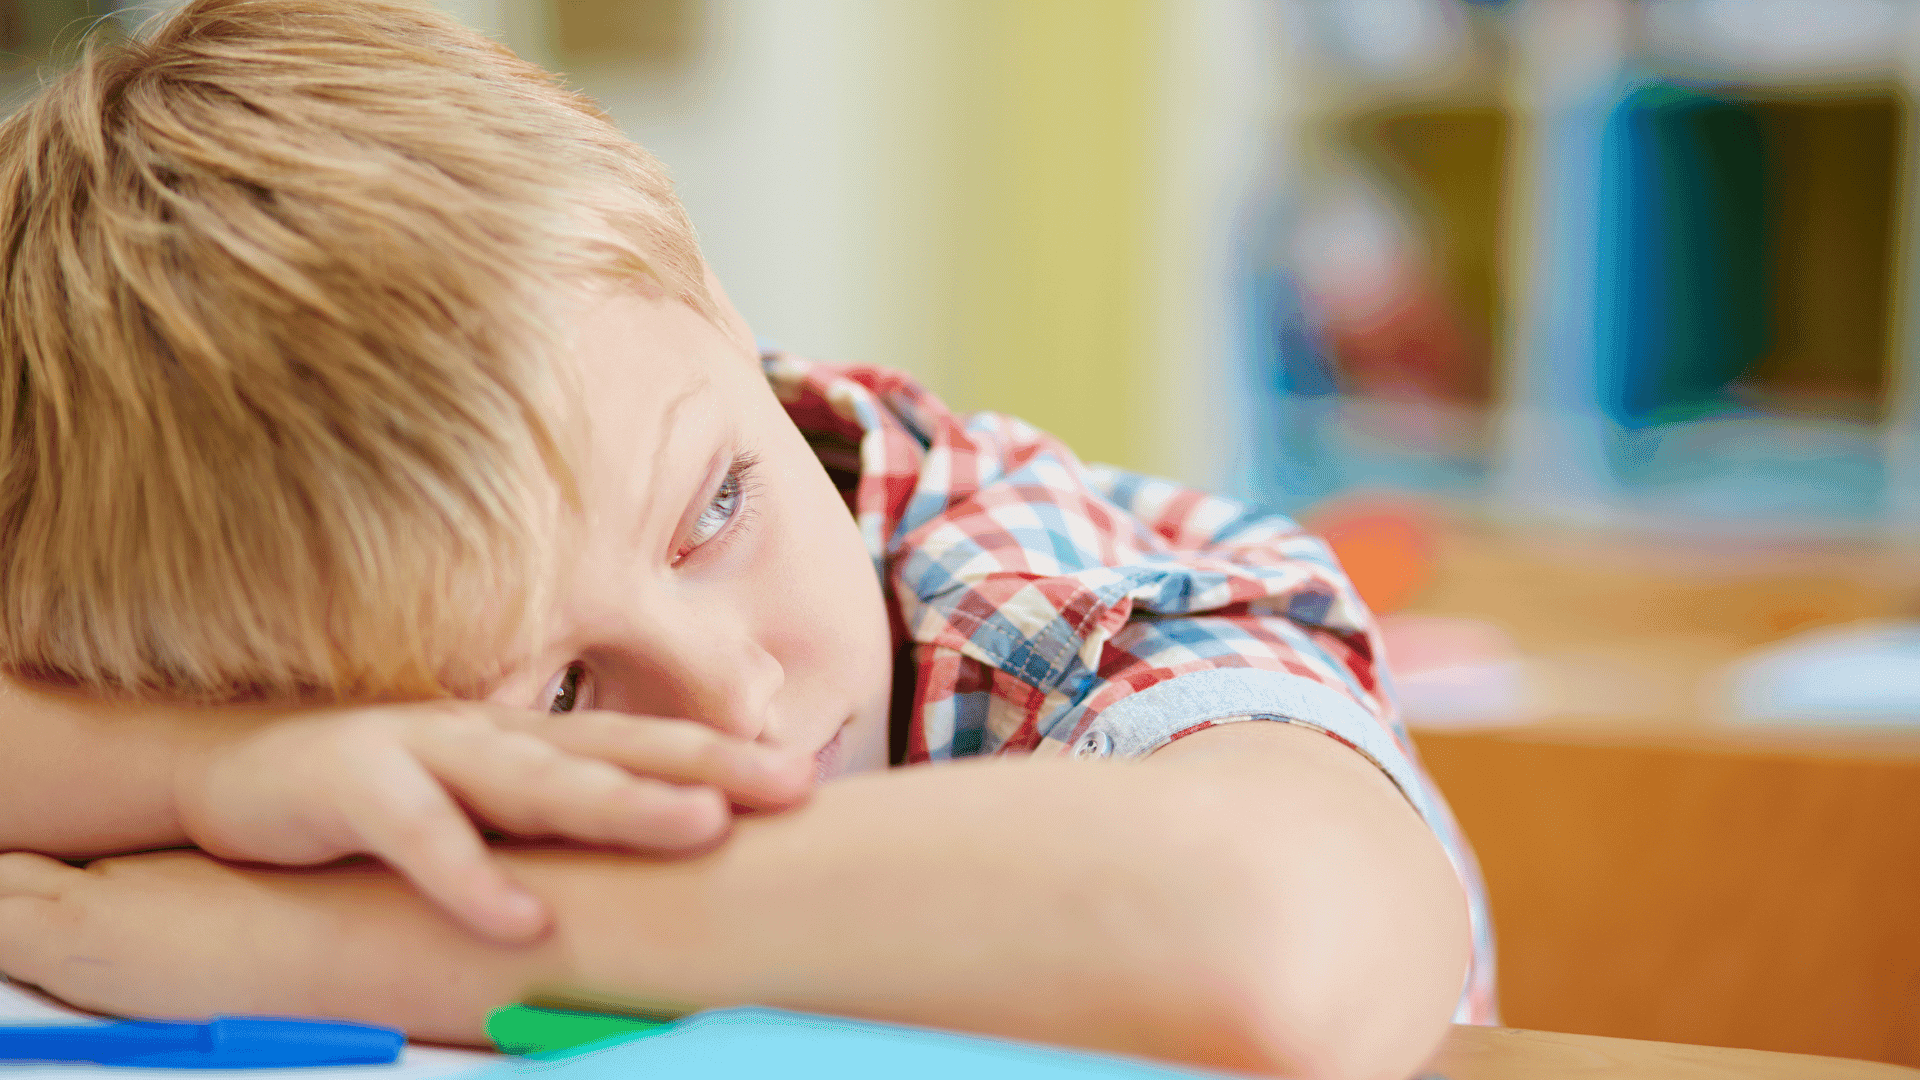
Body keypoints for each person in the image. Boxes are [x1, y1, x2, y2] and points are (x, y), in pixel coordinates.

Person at [0, 2, 1492, 1077]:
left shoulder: (1055, 606)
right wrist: (206, 772)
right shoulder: (277, 657)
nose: (731, 700)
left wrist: (330, 944)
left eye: (714, 512)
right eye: (559, 703)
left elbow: (1274, 953)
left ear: (718, 301)